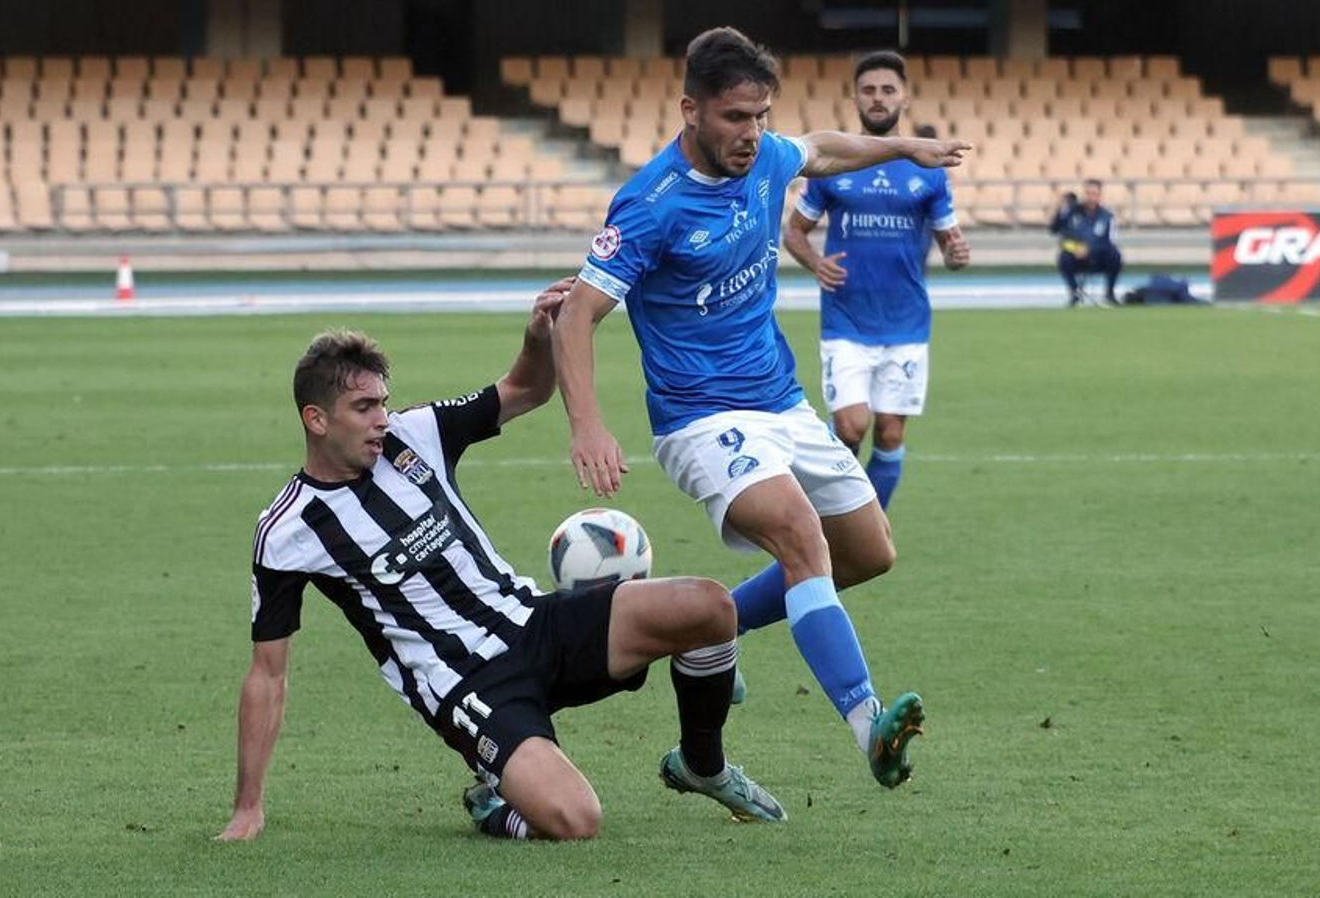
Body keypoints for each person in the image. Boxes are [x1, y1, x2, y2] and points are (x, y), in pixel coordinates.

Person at [217, 279, 787, 845]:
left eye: (383, 403)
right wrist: (248, 808)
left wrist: (538, 337)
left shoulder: (417, 433)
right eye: (363, 408)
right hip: (471, 687)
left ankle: (701, 765)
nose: (381, 419)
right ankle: (494, 803)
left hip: (535, 622)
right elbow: (267, 674)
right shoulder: (288, 531)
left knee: (710, 607)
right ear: (316, 419)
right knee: (575, 820)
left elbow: (526, 389)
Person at [551, 27, 970, 790]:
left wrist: (906, 147)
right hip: (700, 418)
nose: (752, 134)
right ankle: (867, 721)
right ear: (691, 110)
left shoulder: (770, 155)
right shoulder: (651, 204)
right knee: (802, 541)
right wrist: (588, 423)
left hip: (780, 401)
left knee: (869, 551)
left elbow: (822, 147)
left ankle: (707, 633)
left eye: (760, 116)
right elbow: (575, 314)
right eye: (735, 117)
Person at [783, 51, 971, 511]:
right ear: (855, 99)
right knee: (849, 427)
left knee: (889, 431)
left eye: (887, 89)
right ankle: (830, 513)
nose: (878, 98)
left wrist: (956, 255)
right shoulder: (836, 165)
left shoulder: (929, 170)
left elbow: (950, 243)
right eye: (869, 90)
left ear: (904, 97)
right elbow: (794, 231)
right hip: (846, 319)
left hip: (906, 321)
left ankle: (867, 528)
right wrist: (815, 263)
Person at [1049, 179, 1122, 307]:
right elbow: (1055, 230)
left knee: (1115, 255)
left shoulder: (1107, 216)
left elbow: (1110, 241)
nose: (1091, 197)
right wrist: (1060, 210)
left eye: (1094, 194)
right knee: (1063, 257)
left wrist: (1090, 249)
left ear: (1100, 196)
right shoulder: (1072, 212)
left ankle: (1109, 294)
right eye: (1088, 193)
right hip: (1077, 255)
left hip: (1099, 257)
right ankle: (1075, 293)